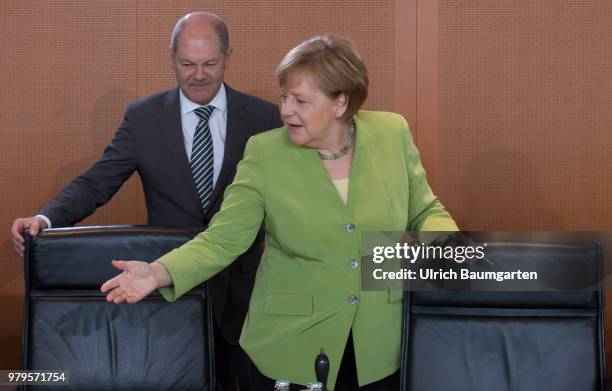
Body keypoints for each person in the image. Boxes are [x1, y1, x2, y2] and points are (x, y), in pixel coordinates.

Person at [101, 35, 458, 390]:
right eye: (284, 96)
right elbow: (223, 239)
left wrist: (444, 241)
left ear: (340, 103)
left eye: (301, 101)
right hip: (292, 343)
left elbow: (425, 209)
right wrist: (159, 271)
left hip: (380, 345)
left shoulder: (391, 132)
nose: (286, 110)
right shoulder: (265, 152)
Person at [10, 12, 281, 390]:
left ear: (228, 57)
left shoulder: (265, 117)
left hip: (247, 295)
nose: (198, 75)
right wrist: (47, 217)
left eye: (209, 64)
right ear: (171, 57)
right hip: (170, 291)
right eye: (187, 64)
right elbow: (97, 181)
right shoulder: (144, 119)